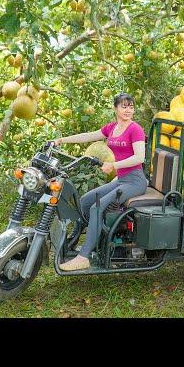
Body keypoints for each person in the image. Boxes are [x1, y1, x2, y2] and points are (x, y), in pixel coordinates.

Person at [54, 93, 147, 271]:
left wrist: (114, 165)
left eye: (131, 106)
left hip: (135, 181)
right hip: (121, 180)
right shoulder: (112, 128)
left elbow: (139, 157)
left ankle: (84, 257)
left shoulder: (135, 129)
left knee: (97, 207)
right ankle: (76, 241)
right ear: (115, 108)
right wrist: (62, 140)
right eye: (124, 106)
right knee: (85, 201)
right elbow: (88, 136)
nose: (128, 110)